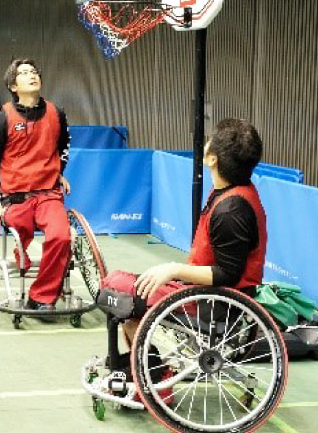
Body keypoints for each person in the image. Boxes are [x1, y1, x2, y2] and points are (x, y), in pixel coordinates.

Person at [100, 118, 267, 391]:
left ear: (211, 158)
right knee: (121, 286)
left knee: (119, 289)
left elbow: (228, 274)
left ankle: (154, 382)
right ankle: (144, 368)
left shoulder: (232, 211)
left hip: (216, 306)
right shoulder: (229, 191)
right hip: (204, 294)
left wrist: (174, 269)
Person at [0, 58, 71, 311]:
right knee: (21, 230)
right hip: (15, 197)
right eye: (24, 73)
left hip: (48, 194)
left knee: (61, 237)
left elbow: (63, 147)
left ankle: (41, 298)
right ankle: (21, 253)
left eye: (34, 71)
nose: (32, 75)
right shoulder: (2, 118)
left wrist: (59, 172)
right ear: (13, 85)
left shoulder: (56, 113)